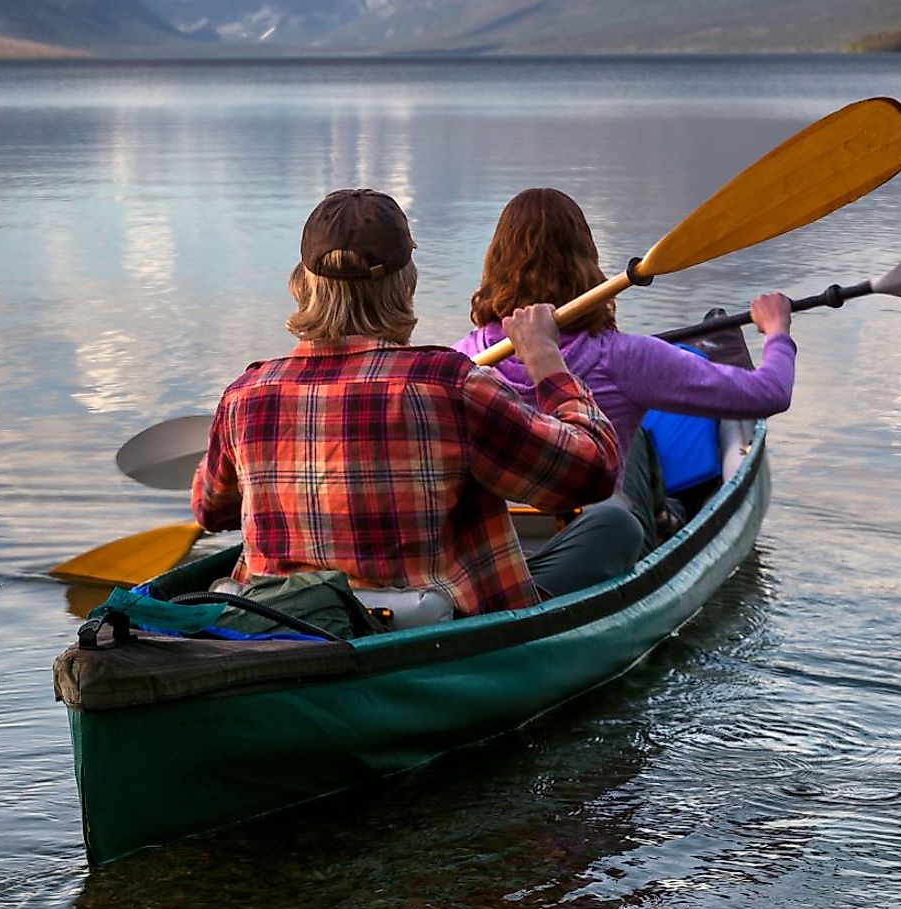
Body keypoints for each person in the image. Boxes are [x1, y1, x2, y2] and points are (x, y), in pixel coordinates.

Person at [192, 188, 622, 619]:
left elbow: (211, 509)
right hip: (434, 631)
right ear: (406, 283)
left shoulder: (244, 395)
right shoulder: (450, 385)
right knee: (614, 525)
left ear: (302, 285)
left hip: (282, 623)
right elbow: (592, 474)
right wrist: (546, 361)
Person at [453, 188, 798, 586]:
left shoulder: (462, 358)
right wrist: (777, 331)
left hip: (493, 547)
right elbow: (769, 392)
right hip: (602, 538)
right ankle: (667, 515)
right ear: (586, 261)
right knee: (637, 436)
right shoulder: (625, 359)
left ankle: (665, 511)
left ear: (494, 263)